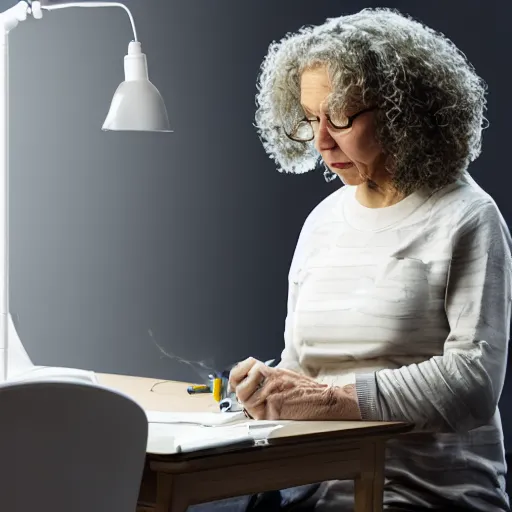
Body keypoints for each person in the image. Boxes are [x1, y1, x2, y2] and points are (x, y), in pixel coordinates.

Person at [192, 6, 512, 512]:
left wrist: (329, 400)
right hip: (315, 489)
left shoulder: (467, 216)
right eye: (310, 119)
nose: (321, 141)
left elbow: (473, 384)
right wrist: (266, 391)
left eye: (340, 117)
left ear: (405, 110)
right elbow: (302, 367)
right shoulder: (323, 221)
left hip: (424, 494)